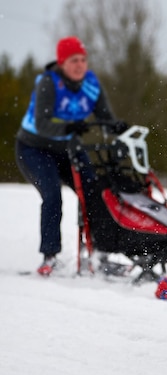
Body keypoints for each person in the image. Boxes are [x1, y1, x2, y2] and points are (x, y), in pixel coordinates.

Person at [15, 36, 128, 276]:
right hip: (34, 148)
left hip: (68, 149)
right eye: (73, 60)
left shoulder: (91, 84)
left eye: (83, 60)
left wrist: (115, 126)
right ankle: (50, 257)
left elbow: (105, 117)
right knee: (52, 195)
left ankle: (98, 254)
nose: (80, 65)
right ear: (62, 63)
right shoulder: (48, 83)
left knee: (94, 192)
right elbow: (43, 123)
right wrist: (68, 127)